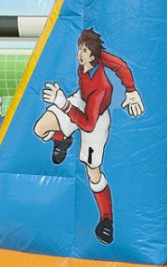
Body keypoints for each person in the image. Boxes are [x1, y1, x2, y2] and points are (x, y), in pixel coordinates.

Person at [33, 29, 144, 244]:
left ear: (93, 55)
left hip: (96, 119)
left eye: (84, 51)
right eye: (80, 49)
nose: (80, 54)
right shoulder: (95, 59)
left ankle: (106, 219)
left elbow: (87, 124)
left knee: (93, 172)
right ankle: (62, 139)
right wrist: (130, 89)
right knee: (40, 128)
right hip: (80, 101)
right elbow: (120, 66)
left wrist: (62, 104)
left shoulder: (100, 88)